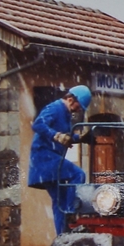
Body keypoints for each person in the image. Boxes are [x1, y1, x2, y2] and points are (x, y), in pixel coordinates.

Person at [28, 85, 92, 235]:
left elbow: (66, 137)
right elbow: (38, 124)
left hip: (44, 163)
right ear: (70, 99)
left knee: (59, 202)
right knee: (78, 175)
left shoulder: (65, 114)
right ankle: (71, 212)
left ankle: (62, 237)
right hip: (45, 158)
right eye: (78, 106)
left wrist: (80, 138)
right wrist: (56, 135)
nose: (78, 110)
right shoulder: (56, 108)